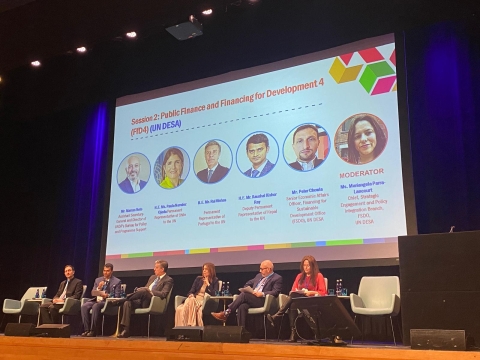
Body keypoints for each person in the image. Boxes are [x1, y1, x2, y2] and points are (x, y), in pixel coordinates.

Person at [266, 255, 326, 342]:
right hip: (298, 300)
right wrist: (299, 292)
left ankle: (278, 316)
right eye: (304, 265)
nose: (306, 267)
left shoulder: (318, 276)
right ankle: (293, 333)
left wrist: (310, 292)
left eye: (308, 265)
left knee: (293, 299)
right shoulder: (299, 276)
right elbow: (293, 290)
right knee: (293, 303)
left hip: (311, 300)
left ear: (313, 266)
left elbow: (323, 292)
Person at [211, 260, 282, 327]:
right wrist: (249, 290)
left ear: (268, 269)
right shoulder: (259, 276)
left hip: (263, 301)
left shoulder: (277, 278)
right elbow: (248, 283)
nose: (260, 271)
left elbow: (276, 292)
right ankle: (241, 331)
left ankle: (226, 313)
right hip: (253, 298)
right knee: (242, 306)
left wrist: (262, 293)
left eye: (262, 269)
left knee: (244, 295)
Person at [114, 260, 173, 338]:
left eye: (156, 267)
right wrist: (140, 290)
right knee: (127, 303)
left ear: (162, 269)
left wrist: (150, 291)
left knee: (145, 291)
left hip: (152, 302)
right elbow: (144, 290)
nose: (154, 269)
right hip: (141, 300)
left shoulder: (168, 280)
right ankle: (126, 330)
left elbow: (163, 294)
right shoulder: (152, 277)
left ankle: (123, 298)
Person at [80, 263, 122, 337]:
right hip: (97, 300)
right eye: (104, 270)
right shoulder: (98, 280)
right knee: (84, 306)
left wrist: (107, 295)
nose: (105, 272)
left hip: (107, 302)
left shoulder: (117, 281)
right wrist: (98, 288)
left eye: (107, 271)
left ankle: (93, 331)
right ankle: (87, 330)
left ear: (111, 271)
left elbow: (117, 296)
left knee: (96, 306)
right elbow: (93, 293)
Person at [175, 263, 219, 327]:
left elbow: (215, 294)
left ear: (211, 270)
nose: (204, 271)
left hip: (204, 301)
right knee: (179, 309)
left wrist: (208, 283)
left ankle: (190, 325)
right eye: (203, 269)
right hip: (194, 299)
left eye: (206, 269)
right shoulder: (198, 279)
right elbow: (191, 291)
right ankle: (183, 328)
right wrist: (191, 295)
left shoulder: (215, 280)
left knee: (188, 304)